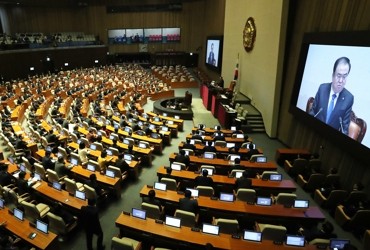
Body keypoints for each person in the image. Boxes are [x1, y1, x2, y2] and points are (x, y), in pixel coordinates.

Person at [309, 57, 354, 135]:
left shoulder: (349, 98)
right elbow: (313, 112)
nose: (341, 81)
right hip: (314, 133)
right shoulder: (322, 88)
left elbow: (344, 130)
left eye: (344, 76)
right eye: (338, 76)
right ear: (333, 75)